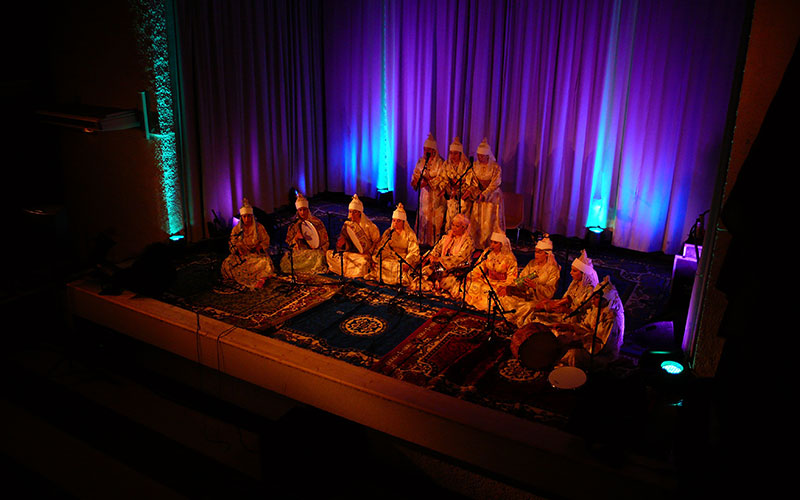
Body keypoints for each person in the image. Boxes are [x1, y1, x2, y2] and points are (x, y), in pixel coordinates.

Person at [550, 276, 625, 369]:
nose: (592, 299)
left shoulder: (611, 318)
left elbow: (603, 347)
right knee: (560, 336)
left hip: (602, 355)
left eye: (596, 297)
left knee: (572, 354)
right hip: (588, 341)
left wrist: (580, 341)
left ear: (606, 300)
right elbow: (585, 326)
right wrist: (569, 327)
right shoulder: (596, 308)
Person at [515, 249, 598, 326]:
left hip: (573, 320)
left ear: (583, 274)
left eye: (574, 271)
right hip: (559, 311)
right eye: (571, 270)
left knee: (537, 319)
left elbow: (583, 314)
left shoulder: (589, 291)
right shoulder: (575, 284)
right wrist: (549, 303)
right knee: (530, 312)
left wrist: (537, 288)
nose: (570, 273)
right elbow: (565, 299)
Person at [506, 234, 561, 324]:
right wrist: (522, 284)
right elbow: (521, 278)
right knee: (506, 299)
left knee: (527, 306)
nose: (536, 255)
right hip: (526, 295)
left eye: (539, 252)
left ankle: (514, 321)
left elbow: (551, 292)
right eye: (535, 252)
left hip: (539, 300)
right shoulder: (532, 264)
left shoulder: (553, 270)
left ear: (547, 254)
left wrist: (536, 287)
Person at [457, 231, 518, 312]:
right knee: (472, 283)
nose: (492, 245)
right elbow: (479, 266)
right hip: (488, 280)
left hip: (501, 283)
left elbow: (512, 276)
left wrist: (505, 287)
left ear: (501, 244)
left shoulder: (509, 258)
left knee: (490, 292)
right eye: (491, 242)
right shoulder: (487, 253)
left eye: (495, 243)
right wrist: (471, 275)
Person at [414, 213, 475, 294]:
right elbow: (436, 250)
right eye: (452, 225)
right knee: (424, 272)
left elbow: (460, 258)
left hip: (455, 269)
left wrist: (440, 260)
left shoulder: (468, 242)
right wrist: (431, 257)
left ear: (464, 228)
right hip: (440, 267)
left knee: (446, 282)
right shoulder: (446, 237)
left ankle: (435, 287)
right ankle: (432, 286)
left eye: (457, 226)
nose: (453, 228)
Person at [221, 198, 275, 288]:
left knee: (264, 262)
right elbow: (232, 242)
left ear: (252, 216)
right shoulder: (237, 229)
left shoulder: (259, 227)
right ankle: (252, 277)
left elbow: (266, 240)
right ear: (241, 217)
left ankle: (260, 278)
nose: (247, 219)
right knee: (227, 263)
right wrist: (237, 249)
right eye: (244, 216)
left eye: (249, 216)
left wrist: (260, 247)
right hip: (242, 257)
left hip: (256, 256)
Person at [325, 194, 381, 278]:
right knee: (329, 254)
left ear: (360, 213)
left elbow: (378, 243)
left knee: (362, 261)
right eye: (350, 212)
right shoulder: (347, 224)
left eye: (354, 212)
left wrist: (369, 252)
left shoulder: (370, 226)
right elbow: (344, 241)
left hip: (363, 254)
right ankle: (347, 272)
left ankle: (346, 271)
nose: (352, 214)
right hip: (351, 252)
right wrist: (342, 243)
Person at [366, 203, 420, 285]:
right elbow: (382, 247)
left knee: (400, 268)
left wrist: (408, 261)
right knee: (382, 264)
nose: (395, 223)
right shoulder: (388, 232)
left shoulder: (410, 234)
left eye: (398, 221)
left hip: (403, 259)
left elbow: (414, 252)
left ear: (403, 222)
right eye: (394, 220)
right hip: (390, 257)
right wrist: (377, 258)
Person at [279, 193, 329, 275]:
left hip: (314, 252)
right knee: (286, 261)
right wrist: (296, 238)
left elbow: (325, 240)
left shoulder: (317, 222)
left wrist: (317, 246)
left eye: (304, 209)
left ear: (308, 210)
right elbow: (289, 242)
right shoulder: (293, 225)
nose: (302, 212)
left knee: (318, 257)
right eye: (300, 210)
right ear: (297, 211)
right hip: (300, 252)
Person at [410, 133, 446, 246]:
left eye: (428, 150)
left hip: (436, 194)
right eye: (424, 149)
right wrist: (415, 181)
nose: (426, 152)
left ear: (434, 150)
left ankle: (433, 241)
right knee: (423, 214)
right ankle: (422, 239)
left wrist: (429, 181)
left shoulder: (440, 162)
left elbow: (442, 177)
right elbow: (416, 173)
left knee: (435, 216)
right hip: (424, 193)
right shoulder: (421, 161)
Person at [469, 137, 505, 248]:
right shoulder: (475, 166)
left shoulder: (495, 167)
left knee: (489, 220)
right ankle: (477, 244)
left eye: (482, 156)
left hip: (492, 197)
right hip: (479, 195)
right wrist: (477, 192)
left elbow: (495, 183)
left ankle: (491, 245)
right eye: (478, 155)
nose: (480, 158)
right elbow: (473, 180)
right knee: (477, 219)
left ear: (487, 156)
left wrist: (485, 194)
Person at [442, 136, 477, 232]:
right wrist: (448, 188)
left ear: (460, 154)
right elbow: (443, 178)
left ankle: (462, 242)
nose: (452, 156)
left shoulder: (467, 166)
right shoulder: (446, 164)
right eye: (451, 153)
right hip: (451, 196)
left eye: (455, 153)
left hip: (463, 197)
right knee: (450, 219)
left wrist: (460, 188)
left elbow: (471, 183)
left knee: (462, 221)